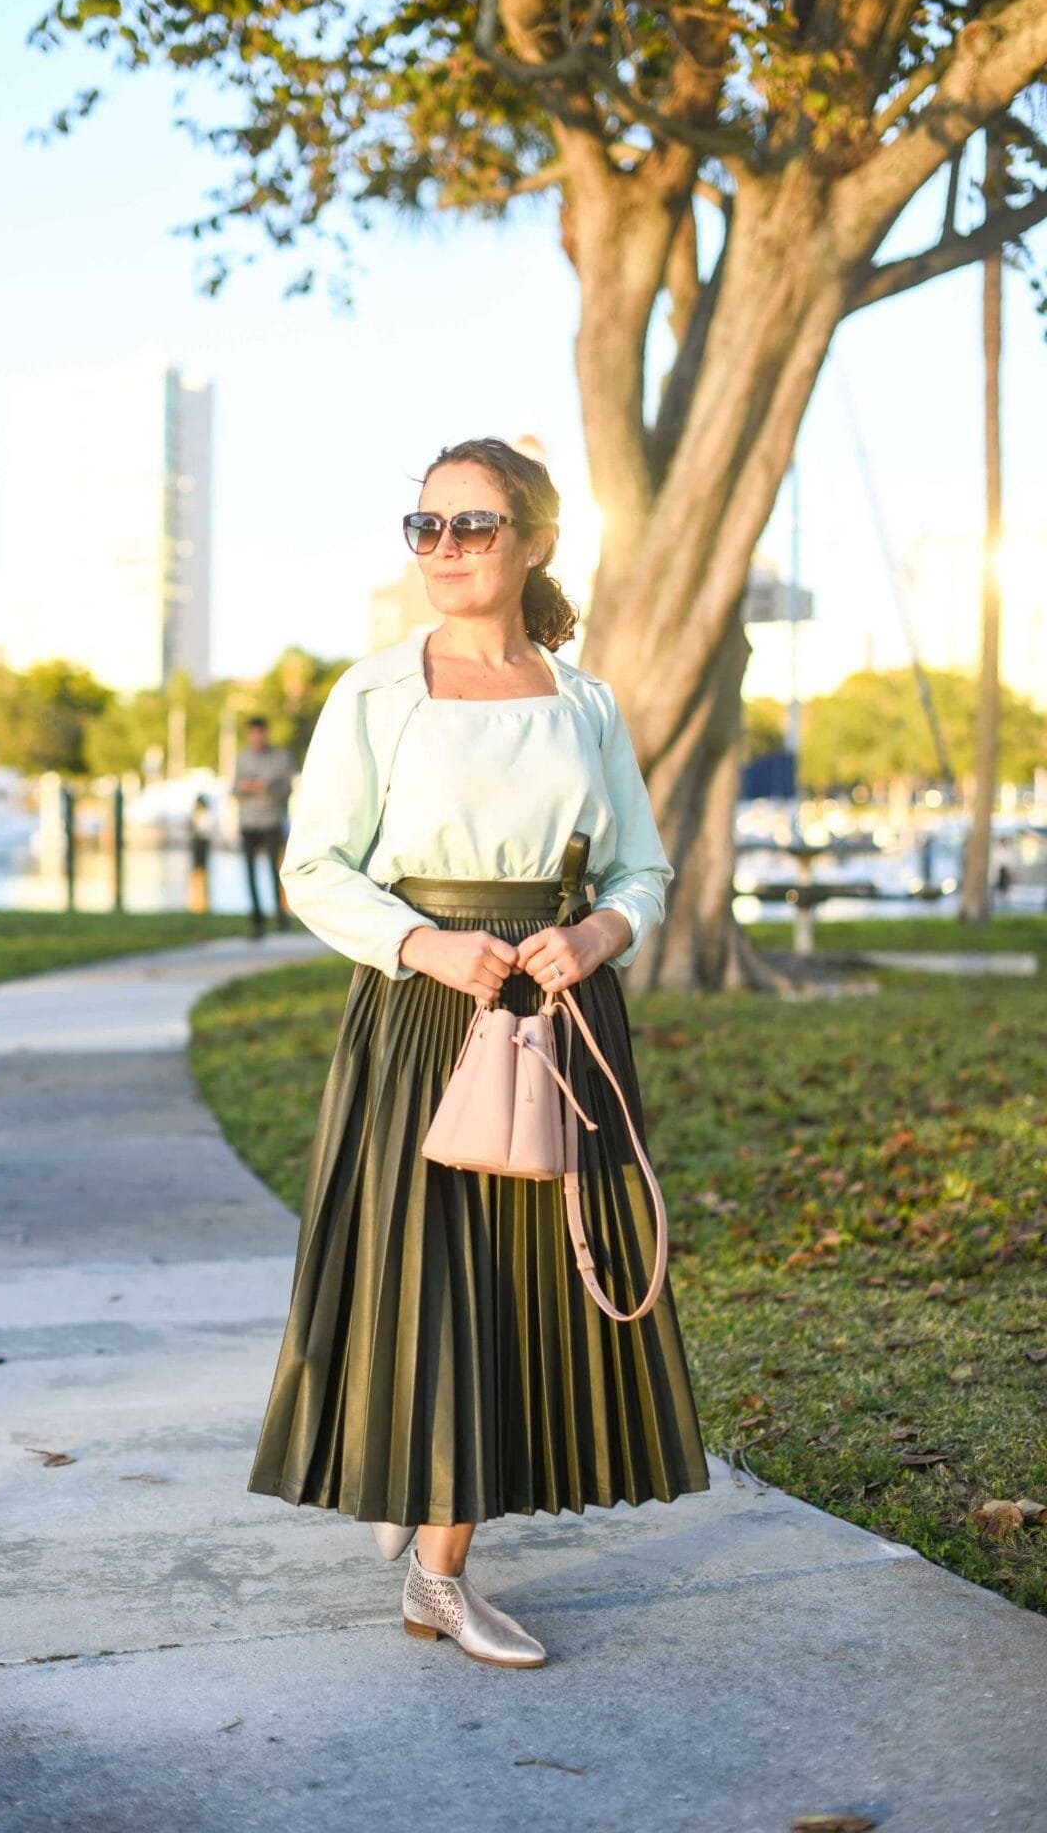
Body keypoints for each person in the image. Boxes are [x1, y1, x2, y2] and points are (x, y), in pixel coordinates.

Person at [247, 437, 710, 1670]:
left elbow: (642, 869)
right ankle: (436, 1564)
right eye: (425, 527)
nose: (443, 550)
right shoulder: (376, 693)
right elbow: (314, 866)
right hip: (424, 1015)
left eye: (472, 527)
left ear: (535, 542)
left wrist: (603, 931)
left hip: (558, 1015)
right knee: (433, 1280)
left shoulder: (583, 700)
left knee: (524, 1286)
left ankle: (433, 1538)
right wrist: (417, 945)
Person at [231, 717, 295, 938]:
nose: (257, 738)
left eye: (260, 733)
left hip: (272, 822)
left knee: (274, 870)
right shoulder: (242, 759)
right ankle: (256, 917)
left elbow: (286, 789)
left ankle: (280, 914)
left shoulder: (281, 758)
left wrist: (266, 787)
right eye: (253, 733)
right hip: (248, 823)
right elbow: (234, 790)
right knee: (249, 871)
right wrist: (247, 787)